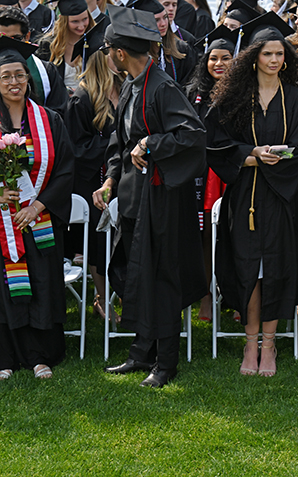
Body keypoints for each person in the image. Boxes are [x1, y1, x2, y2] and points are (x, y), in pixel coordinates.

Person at [96, 5, 207, 388]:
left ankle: (166, 363)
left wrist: (152, 142)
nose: (108, 55)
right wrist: (109, 181)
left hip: (160, 203)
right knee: (135, 275)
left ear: (121, 53)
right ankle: (141, 352)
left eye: (109, 49)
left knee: (161, 278)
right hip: (132, 198)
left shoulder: (161, 86)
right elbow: (119, 142)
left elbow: (192, 134)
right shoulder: (131, 85)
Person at [205, 12, 298, 377]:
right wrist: (250, 156)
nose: (274, 60)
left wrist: (272, 158)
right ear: (254, 57)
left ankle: (270, 344)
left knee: (274, 271)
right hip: (245, 197)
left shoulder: (294, 98)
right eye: (267, 54)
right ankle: (250, 344)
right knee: (249, 270)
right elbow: (216, 143)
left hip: (279, 198)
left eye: (280, 54)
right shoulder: (235, 97)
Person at [0, 36, 74, 381]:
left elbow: (65, 171)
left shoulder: (49, 119)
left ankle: (41, 356)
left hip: (39, 220)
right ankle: (5, 357)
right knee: (4, 287)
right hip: (2, 224)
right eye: (6, 76)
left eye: (19, 74)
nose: (14, 82)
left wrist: (38, 205)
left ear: (28, 77)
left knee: (42, 284)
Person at [65, 18, 122, 321]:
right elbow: (76, 149)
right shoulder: (82, 98)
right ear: (101, 57)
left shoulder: (126, 90)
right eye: (114, 52)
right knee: (99, 246)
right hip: (92, 185)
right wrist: (112, 145)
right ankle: (102, 297)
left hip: (122, 181)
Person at [185, 25, 237, 321]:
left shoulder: (244, 92)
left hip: (232, 169)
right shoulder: (193, 93)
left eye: (226, 58)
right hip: (202, 173)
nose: (219, 64)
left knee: (234, 237)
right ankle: (205, 296)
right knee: (204, 235)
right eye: (213, 58)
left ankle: (235, 298)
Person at [0, 6, 69, 115]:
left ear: (27, 36)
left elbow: (59, 113)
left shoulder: (46, 71)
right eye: (2, 38)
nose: (10, 44)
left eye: (16, 39)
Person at [128, 0, 197, 86]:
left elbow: (190, 83)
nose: (163, 24)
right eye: (156, 20)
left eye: (165, 17)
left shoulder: (182, 49)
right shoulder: (133, 52)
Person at [36, 0, 96, 93]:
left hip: (89, 101)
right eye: (75, 21)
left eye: (85, 19)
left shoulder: (94, 41)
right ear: (63, 20)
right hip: (59, 102)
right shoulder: (49, 46)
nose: (81, 26)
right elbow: (43, 81)